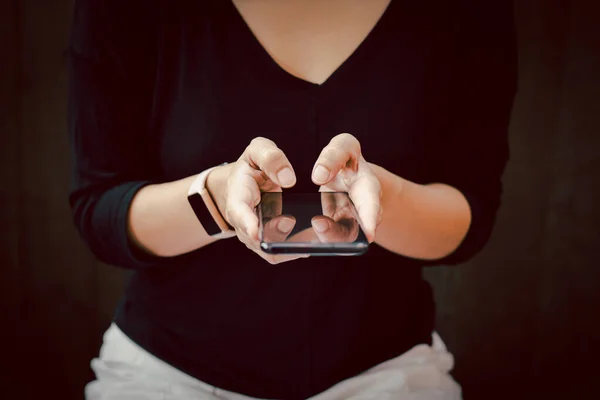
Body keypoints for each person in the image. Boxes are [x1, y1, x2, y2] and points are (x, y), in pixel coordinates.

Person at [67, 0, 517, 399]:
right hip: (169, 372)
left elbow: (470, 213)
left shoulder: (467, 10)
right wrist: (216, 199)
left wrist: (384, 198)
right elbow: (100, 209)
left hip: (384, 368)